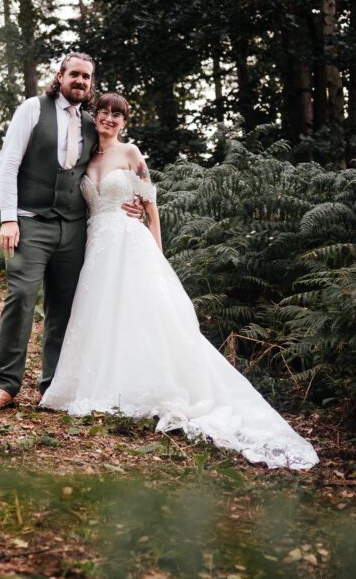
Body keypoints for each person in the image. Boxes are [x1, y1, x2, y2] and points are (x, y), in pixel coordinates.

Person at [40, 93, 319, 470]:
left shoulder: (131, 153)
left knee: (147, 314)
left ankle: (158, 386)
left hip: (130, 240)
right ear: (94, 117)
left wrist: (156, 252)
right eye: (103, 112)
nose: (108, 118)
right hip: (98, 246)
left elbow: (150, 205)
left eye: (116, 114)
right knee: (104, 317)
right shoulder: (85, 159)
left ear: (124, 122)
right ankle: (105, 385)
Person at [0, 54, 141, 413]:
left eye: (87, 77)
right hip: (30, 222)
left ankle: (52, 387)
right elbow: (8, 165)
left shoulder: (91, 125)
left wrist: (133, 201)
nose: (81, 81)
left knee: (64, 309)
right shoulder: (33, 109)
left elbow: (114, 164)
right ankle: (5, 386)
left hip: (75, 228)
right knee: (20, 297)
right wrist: (8, 218)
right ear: (60, 76)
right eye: (75, 74)